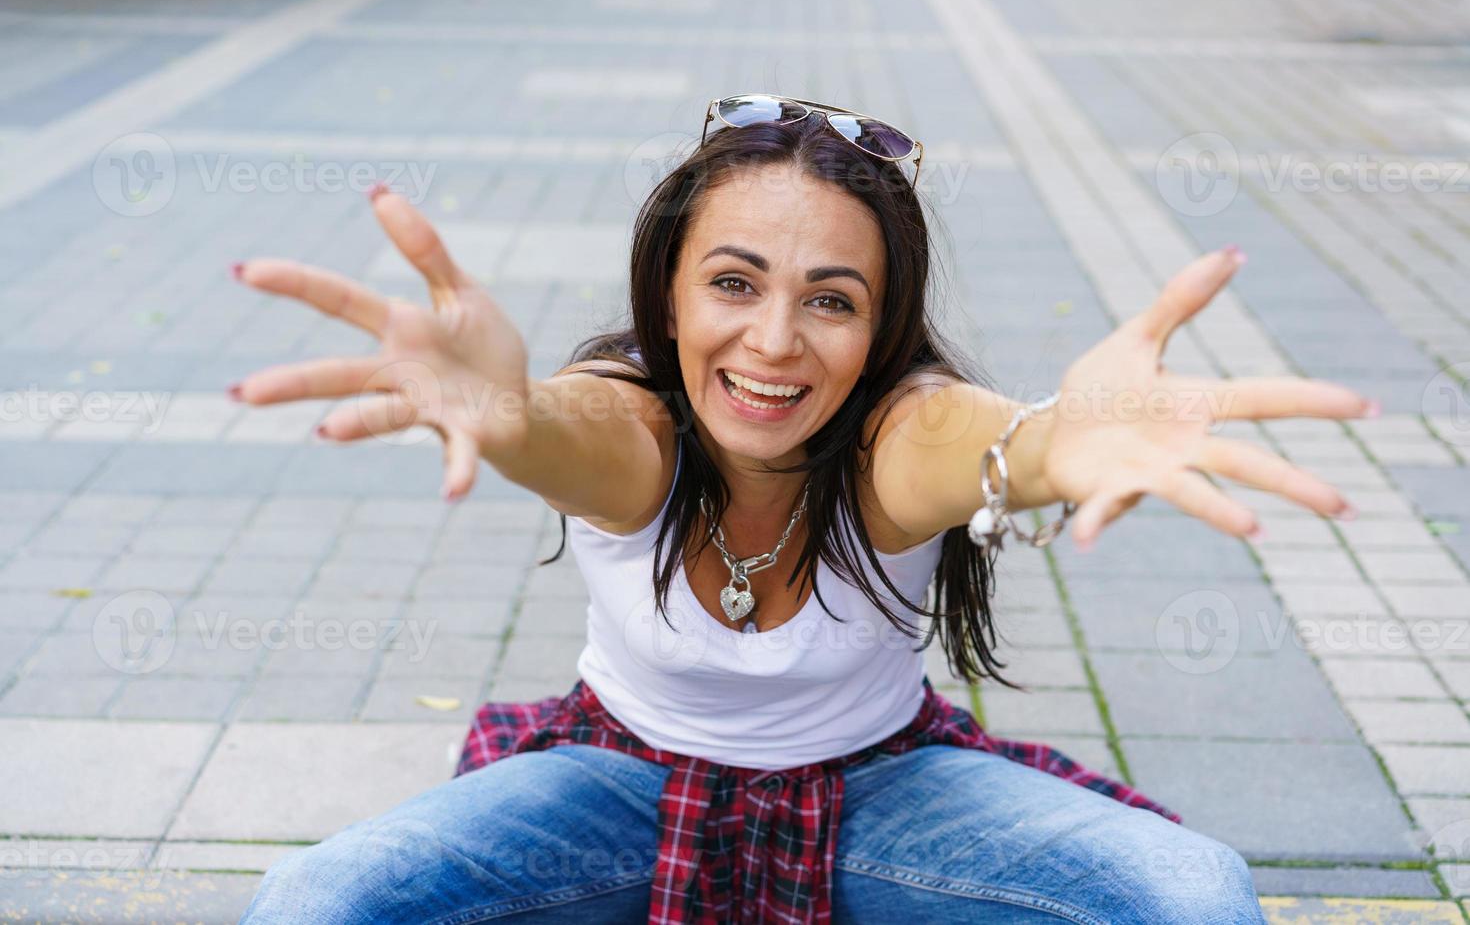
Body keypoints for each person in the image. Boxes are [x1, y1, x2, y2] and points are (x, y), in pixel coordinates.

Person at [234, 95, 1369, 923]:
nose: (774, 343)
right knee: (313, 895)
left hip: (886, 789)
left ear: (879, 332)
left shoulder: (894, 436)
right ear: (668, 298)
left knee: (1197, 890)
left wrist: (1062, 439)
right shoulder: (634, 426)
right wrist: (511, 411)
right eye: (733, 283)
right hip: (617, 782)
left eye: (831, 300)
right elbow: (564, 431)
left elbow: (989, 442)